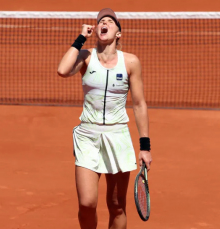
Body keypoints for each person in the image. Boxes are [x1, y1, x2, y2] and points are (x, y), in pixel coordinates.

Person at [57, 8, 152, 229]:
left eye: (109, 21)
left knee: (117, 205)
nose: (104, 23)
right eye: (101, 21)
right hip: (87, 136)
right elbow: (62, 70)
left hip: (118, 136)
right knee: (87, 204)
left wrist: (145, 146)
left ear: (118, 33)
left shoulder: (130, 62)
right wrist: (81, 37)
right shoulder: (85, 57)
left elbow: (139, 104)